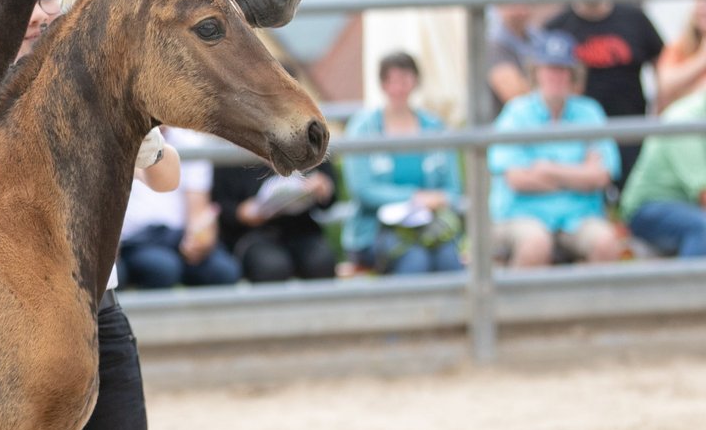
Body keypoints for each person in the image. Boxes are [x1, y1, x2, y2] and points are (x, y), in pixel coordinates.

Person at [15, 0, 161, 430]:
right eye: (27, 1)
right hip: (12, 323)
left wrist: (144, 142)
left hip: (97, 314)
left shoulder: (93, 83)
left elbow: (167, 177)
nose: (39, 13)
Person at [489, 30, 623, 267]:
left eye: (562, 70)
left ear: (574, 75)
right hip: (522, 214)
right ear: (536, 72)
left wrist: (547, 169)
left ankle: (589, 304)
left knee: (607, 242)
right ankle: (517, 305)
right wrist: (577, 175)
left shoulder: (589, 111)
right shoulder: (516, 112)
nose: (555, 76)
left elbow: (601, 175)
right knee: (536, 243)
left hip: (578, 216)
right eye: (549, 69)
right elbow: (517, 179)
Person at [544, 0, 663, 185]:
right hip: (580, 137)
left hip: (632, 130)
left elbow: (662, 62)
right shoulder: (556, 28)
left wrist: (659, 111)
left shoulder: (634, 18)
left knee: (633, 201)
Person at [342, 51, 465, 275]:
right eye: (391, 81)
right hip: (375, 231)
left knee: (449, 258)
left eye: (404, 80)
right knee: (414, 260)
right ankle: (408, 311)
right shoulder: (363, 129)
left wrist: (439, 200)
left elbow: (453, 189)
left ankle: (454, 312)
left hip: (431, 226)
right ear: (382, 85)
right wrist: (415, 198)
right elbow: (362, 190)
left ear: (415, 82)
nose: (398, 88)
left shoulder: (435, 127)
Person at [116, 127, 242, 290]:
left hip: (177, 236)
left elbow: (196, 206)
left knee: (224, 271)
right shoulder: (120, 132)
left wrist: (199, 236)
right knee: (163, 268)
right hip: (135, 239)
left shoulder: (190, 141)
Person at [213, 160, 338, 281]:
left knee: (321, 261)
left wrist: (323, 186)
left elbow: (328, 195)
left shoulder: (303, 141)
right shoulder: (235, 148)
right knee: (272, 267)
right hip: (252, 234)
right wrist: (240, 213)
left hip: (300, 228)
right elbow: (220, 205)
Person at [619, 89, 706, 258]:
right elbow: (703, 193)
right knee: (702, 228)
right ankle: (689, 284)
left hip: (686, 205)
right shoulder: (684, 119)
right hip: (648, 208)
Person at [487, 0, 540, 119]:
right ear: (498, 6)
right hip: (509, 130)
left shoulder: (537, 37)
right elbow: (515, 96)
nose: (520, 9)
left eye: (525, 1)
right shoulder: (492, 45)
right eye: (513, 3)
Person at [656, 0, 706, 112]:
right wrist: (702, 59)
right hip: (685, 124)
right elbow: (665, 86)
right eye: (700, 0)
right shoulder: (679, 47)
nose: (703, 6)